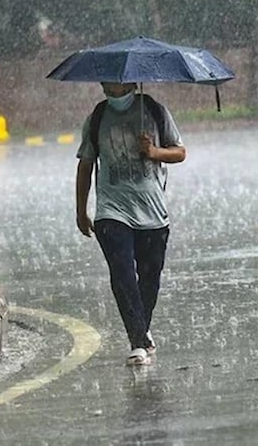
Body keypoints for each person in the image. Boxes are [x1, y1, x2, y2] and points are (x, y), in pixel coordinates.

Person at [75, 82, 186, 366]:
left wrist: (154, 152)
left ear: (131, 83)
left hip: (153, 213)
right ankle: (138, 341)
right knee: (122, 274)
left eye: (117, 85)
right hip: (112, 211)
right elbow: (85, 164)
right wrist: (81, 210)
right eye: (106, 85)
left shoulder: (155, 111)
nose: (111, 90)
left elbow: (180, 152)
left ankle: (142, 332)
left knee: (149, 279)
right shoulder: (97, 117)